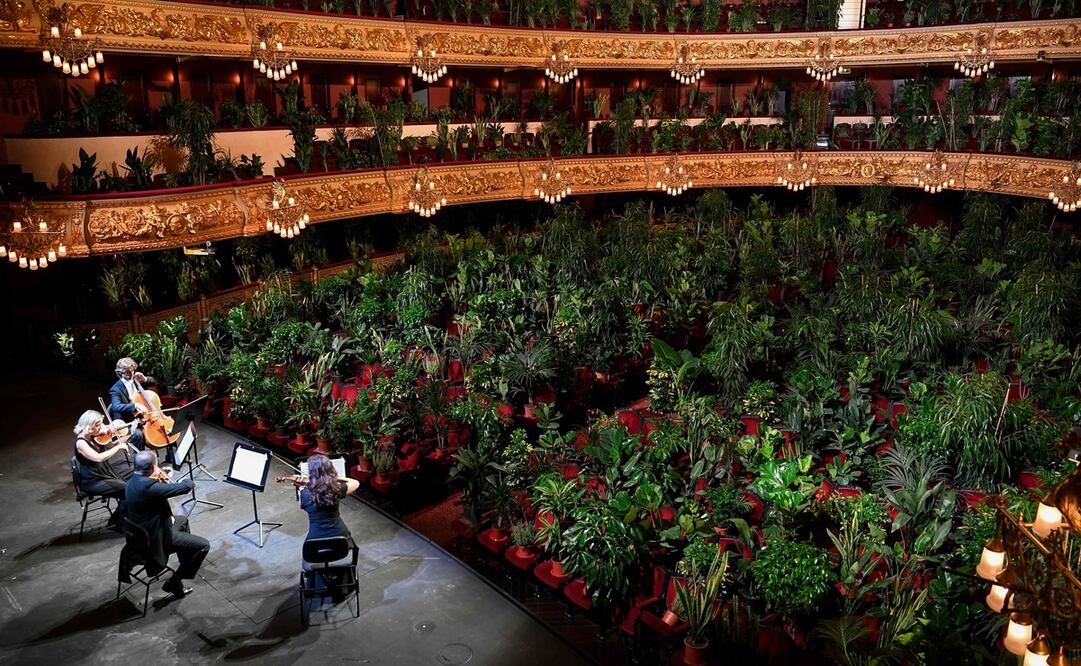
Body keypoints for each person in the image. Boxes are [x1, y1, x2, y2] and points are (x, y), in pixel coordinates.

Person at [124, 450, 209, 598]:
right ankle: (175, 582)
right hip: (157, 538)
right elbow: (187, 486)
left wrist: (161, 476)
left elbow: (153, 491)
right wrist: (182, 479)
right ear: (151, 468)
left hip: (143, 532)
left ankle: (185, 563)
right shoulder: (151, 488)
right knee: (203, 546)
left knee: (182, 519)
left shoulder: (132, 481)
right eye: (156, 466)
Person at [299, 455, 360, 599]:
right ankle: (346, 576)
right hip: (339, 537)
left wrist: (309, 483)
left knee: (313, 547)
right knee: (350, 541)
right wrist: (332, 480)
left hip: (314, 542)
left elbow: (304, 503)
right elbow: (355, 482)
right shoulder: (336, 490)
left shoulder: (304, 495)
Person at [73, 410, 131, 526]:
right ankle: (117, 521)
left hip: (105, 471)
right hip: (93, 480)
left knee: (135, 473)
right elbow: (98, 458)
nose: (102, 427)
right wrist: (119, 447)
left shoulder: (95, 436)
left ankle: (125, 516)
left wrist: (129, 432)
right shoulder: (81, 443)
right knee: (128, 490)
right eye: (98, 424)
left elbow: (112, 445)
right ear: (89, 426)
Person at [109, 357, 147, 451]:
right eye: (128, 372)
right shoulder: (116, 389)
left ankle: (171, 458)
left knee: (165, 428)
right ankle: (141, 460)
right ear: (120, 373)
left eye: (133, 371)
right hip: (127, 422)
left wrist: (145, 379)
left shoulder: (136, 380)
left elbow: (153, 382)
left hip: (141, 417)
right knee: (138, 434)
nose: (132, 374)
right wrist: (135, 405)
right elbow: (116, 406)